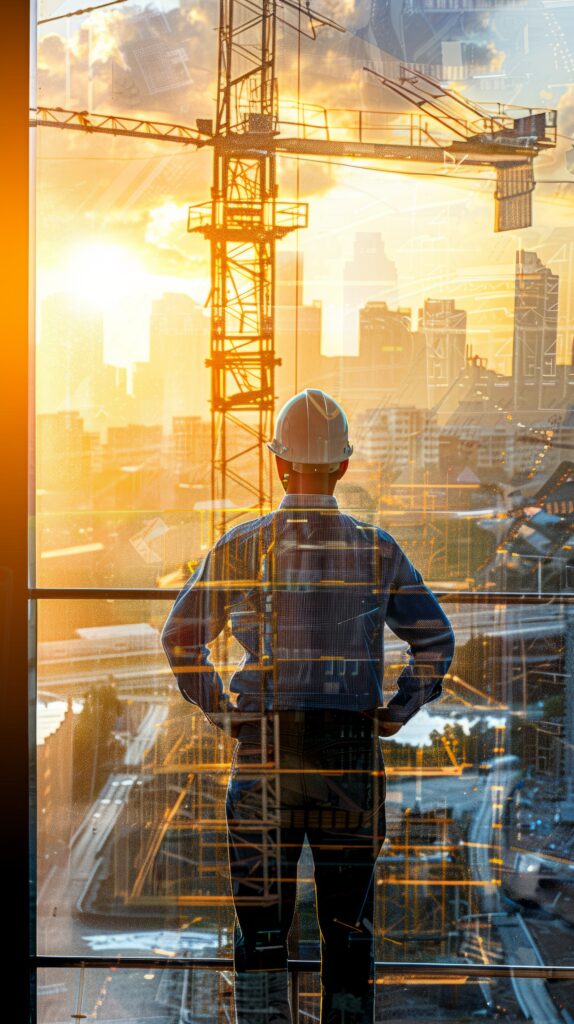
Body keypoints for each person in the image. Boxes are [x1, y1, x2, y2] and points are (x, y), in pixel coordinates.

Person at [161, 388, 455, 1024]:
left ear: (276, 464)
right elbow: (435, 639)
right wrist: (396, 711)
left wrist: (224, 711)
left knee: (263, 934)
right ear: (343, 468)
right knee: (348, 933)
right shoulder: (378, 550)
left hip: (264, 750)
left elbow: (179, 637)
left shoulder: (241, 546)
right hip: (349, 757)